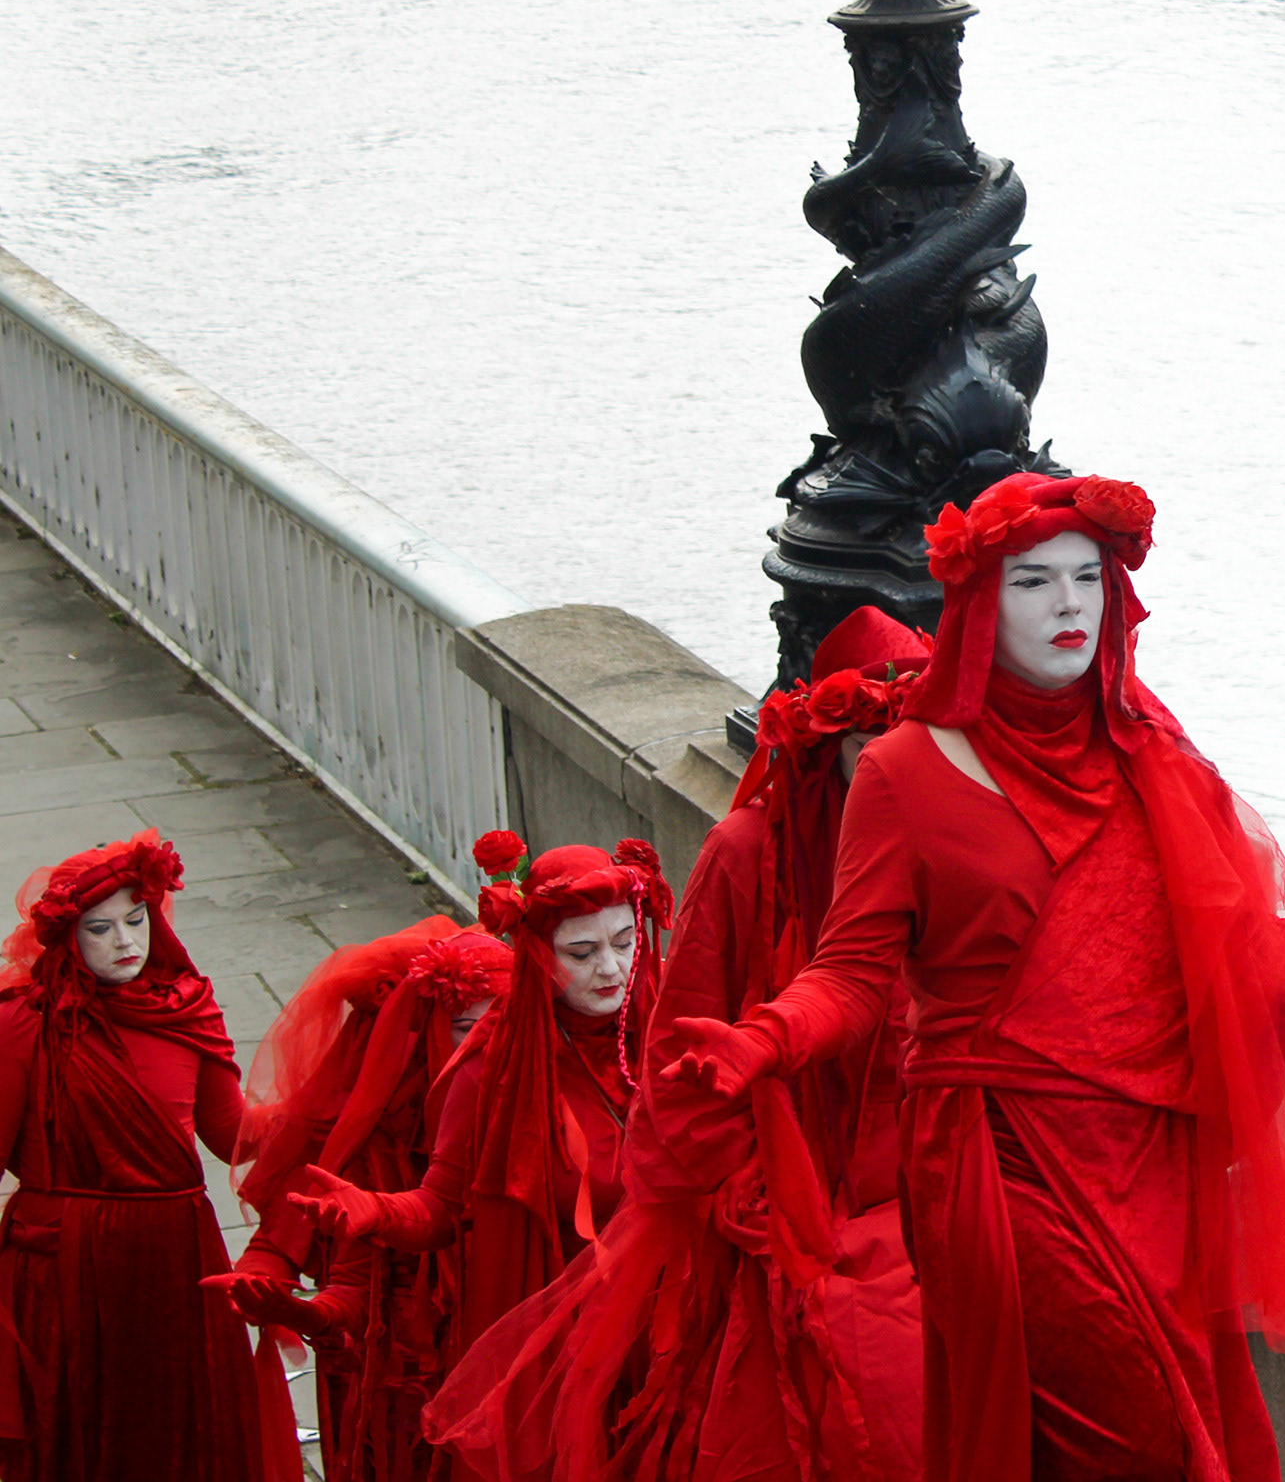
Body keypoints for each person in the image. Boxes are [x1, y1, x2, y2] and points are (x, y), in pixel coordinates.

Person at [664, 473, 1285, 1482]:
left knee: (1147, 1442)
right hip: (1002, 1163)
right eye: (1034, 580)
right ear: (977, 606)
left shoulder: (1155, 763)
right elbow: (850, 978)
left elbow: (1250, 957)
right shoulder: (905, 774)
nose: (1069, 602)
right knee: (1143, 1442)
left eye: (1088, 578)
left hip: (1152, 1168)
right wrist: (764, 1039)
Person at [426, 607, 931, 1482]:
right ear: (824, 752)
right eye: (869, 747)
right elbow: (679, 1052)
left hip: (923, 1204)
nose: (895, 771)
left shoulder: (943, 844)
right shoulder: (745, 856)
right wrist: (748, 1185)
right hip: (785, 1221)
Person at [290, 837, 671, 1481]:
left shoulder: (671, 1029)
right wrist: (374, 1212)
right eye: (583, 952)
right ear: (540, 957)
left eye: (625, 942)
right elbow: (440, 1207)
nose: (611, 968)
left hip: (668, 1337)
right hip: (558, 1354)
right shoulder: (492, 1068)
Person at [0, 829, 302, 1482]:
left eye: (136, 920)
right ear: (68, 938)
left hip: (177, 1259)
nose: (126, 942)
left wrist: (324, 1102)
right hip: (67, 1266)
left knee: (181, 1435)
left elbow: (236, 1137)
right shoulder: (25, 1022)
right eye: (100, 929)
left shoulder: (186, 1008)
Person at [207, 918, 514, 1481]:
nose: (482, 1048)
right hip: (408, 1386)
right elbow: (349, 1283)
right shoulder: (381, 1135)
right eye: (465, 1028)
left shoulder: (537, 1106)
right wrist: (289, 1297)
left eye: (498, 1026)